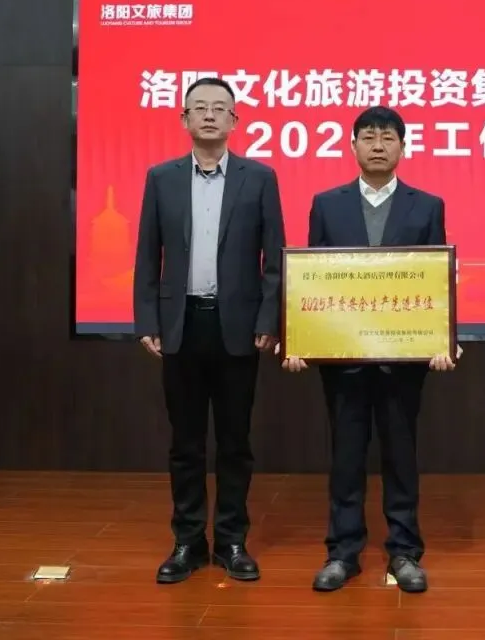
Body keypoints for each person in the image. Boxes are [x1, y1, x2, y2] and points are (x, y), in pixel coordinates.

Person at [280, 106, 460, 594]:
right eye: (369, 137)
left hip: (404, 358)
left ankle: (405, 551)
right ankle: (343, 552)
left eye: (388, 137)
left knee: (401, 455)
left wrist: (441, 340)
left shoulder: (428, 206)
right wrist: (300, 340)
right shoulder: (326, 204)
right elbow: (312, 280)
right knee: (346, 456)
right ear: (353, 145)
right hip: (344, 356)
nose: (378, 145)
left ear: (403, 147)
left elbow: (435, 281)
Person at [133, 76, 286, 584]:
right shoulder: (161, 178)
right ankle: (187, 541)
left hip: (238, 327)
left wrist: (269, 319)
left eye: (220, 108)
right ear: (183, 119)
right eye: (199, 107)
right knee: (186, 442)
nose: (209, 115)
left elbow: (274, 260)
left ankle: (232, 540)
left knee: (235, 441)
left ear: (235, 120)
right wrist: (147, 319)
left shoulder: (259, 178)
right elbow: (147, 255)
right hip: (181, 323)